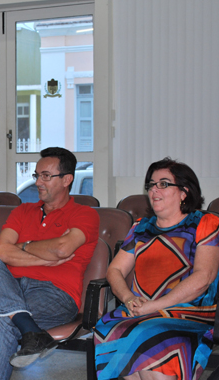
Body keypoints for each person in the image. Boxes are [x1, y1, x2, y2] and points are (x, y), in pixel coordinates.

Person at [0, 147, 100, 379]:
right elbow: (0, 251)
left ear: (67, 180)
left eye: (46, 176)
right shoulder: (22, 211)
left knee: (1, 318)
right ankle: (30, 329)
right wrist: (44, 255)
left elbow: (62, 249)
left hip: (55, 295)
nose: (38, 182)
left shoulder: (85, 214)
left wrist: (22, 247)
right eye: (37, 175)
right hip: (10, 287)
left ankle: (24, 324)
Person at [94, 158, 219, 380]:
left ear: (184, 192)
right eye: (151, 185)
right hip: (140, 309)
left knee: (148, 333)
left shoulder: (205, 223)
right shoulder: (141, 227)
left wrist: (154, 306)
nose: (154, 190)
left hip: (188, 312)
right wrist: (128, 298)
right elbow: (115, 271)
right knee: (110, 327)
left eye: (163, 184)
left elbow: (204, 277)